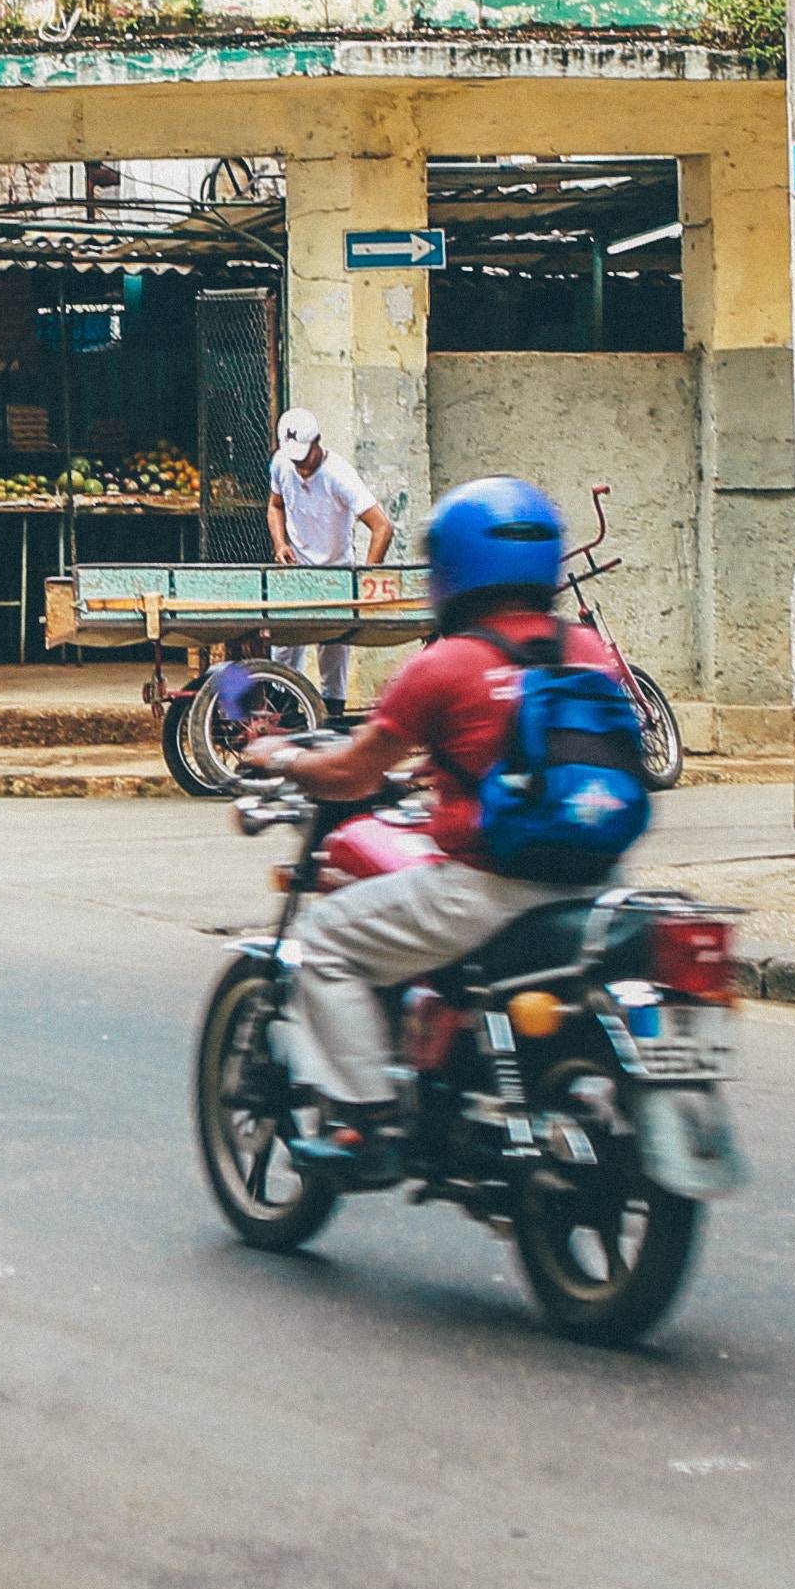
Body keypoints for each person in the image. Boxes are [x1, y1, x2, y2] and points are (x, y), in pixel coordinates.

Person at [249, 476, 628, 1156]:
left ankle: (365, 1118)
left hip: (485, 888)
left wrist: (283, 757)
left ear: (451, 567)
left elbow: (354, 772)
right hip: (591, 884)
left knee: (329, 939)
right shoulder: (588, 652)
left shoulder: (446, 664)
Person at [267, 406, 393, 731]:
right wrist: (281, 543)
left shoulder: (339, 475)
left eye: (305, 459)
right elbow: (275, 504)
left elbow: (382, 527)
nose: (301, 467)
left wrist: (365, 578)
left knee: (333, 651)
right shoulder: (282, 464)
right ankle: (283, 707)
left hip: (337, 571)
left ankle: (333, 719)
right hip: (298, 570)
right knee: (285, 646)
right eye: (295, 460)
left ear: (318, 443)